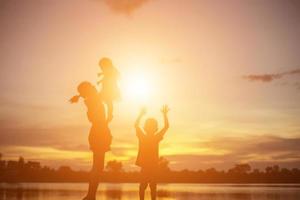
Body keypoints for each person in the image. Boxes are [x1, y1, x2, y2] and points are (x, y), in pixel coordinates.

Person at [70, 81, 112, 200]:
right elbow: (104, 99)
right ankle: (90, 195)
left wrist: (79, 95)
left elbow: (102, 96)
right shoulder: (92, 100)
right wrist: (109, 114)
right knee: (97, 167)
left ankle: (91, 195)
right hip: (99, 132)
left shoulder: (92, 98)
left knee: (98, 167)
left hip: (100, 132)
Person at [135, 105, 170, 200]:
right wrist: (164, 114)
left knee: (150, 187)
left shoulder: (150, 137)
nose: (151, 128)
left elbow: (166, 127)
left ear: (155, 128)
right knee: (145, 187)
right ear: (146, 128)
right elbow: (166, 127)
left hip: (152, 167)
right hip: (147, 166)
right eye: (150, 126)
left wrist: (140, 114)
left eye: (152, 126)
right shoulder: (149, 137)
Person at [97, 57, 120, 123]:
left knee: (109, 102)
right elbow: (106, 77)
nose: (101, 68)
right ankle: (105, 114)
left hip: (110, 89)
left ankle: (110, 115)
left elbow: (111, 75)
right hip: (105, 89)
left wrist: (101, 74)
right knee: (106, 102)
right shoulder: (107, 71)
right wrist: (100, 81)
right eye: (101, 67)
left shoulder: (112, 70)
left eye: (102, 66)